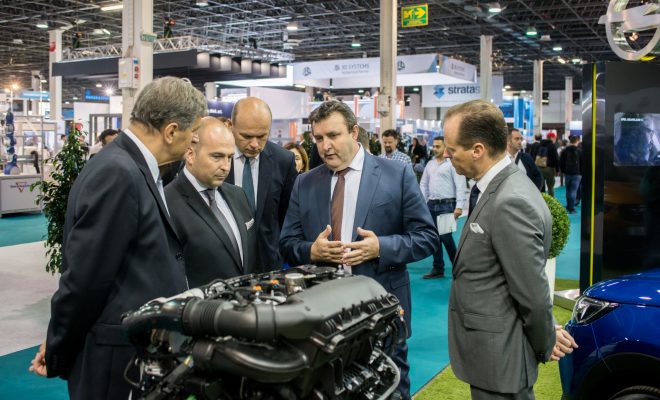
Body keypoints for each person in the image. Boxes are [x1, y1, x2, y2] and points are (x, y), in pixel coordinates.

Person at [28, 77, 207, 399]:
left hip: (132, 351)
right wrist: (58, 348)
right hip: (114, 361)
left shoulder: (132, 167)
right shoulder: (119, 173)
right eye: (192, 133)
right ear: (170, 131)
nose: (193, 142)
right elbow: (85, 279)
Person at [279, 100, 439, 400]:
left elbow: (426, 237)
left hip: (382, 308)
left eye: (333, 135)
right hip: (324, 316)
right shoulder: (305, 183)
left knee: (391, 386)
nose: (325, 146)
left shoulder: (397, 174)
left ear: (354, 132)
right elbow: (287, 242)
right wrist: (312, 251)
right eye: (319, 138)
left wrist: (381, 247)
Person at [443, 100, 577, 400]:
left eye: (452, 150)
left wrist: (545, 339)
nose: (447, 156)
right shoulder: (500, 187)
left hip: (501, 357)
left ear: (477, 150)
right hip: (493, 354)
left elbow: (532, 292)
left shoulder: (509, 200)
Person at [165, 117, 257, 287]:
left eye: (229, 157)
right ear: (190, 155)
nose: (226, 166)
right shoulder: (166, 204)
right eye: (217, 157)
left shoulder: (238, 195)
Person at [226, 97, 298, 271]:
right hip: (224, 264)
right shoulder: (215, 158)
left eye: (262, 136)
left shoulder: (283, 161)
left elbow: (288, 217)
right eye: (246, 136)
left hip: (268, 265)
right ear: (230, 126)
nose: (254, 144)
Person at [420, 136, 467, 279]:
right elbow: (423, 184)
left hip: (447, 205)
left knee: (446, 237)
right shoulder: (430, 164)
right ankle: (438, 268)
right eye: (433, 146)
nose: (434, 149)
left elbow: (460, 185)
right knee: (434, 238)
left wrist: (459, 206)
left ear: (445, 147)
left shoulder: (452, 164)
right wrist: (423, 203)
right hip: (431, 205)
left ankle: (458, 268)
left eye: (437, 146)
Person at [560, 135, 582, 213]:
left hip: (567, 173)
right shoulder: (580, 151)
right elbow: (583, 163)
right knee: (573, 191)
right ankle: (571, 208)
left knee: (568, 190)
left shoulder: (565, 150)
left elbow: (561, 162)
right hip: (577, 174)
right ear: (577, 141)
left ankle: (569, 205)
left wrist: (563, 171)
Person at [535, 132, 560, 196]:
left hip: (539, 167)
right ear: (551, 137)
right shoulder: (552, 146)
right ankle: (550, 201)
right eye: (554, 138)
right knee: (550, 187)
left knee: (540, 186)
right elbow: (556, 158)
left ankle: (540, 200)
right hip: (550, 168)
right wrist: (557, 170)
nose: (555, 139)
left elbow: (535, 155)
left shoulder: (540, 144)